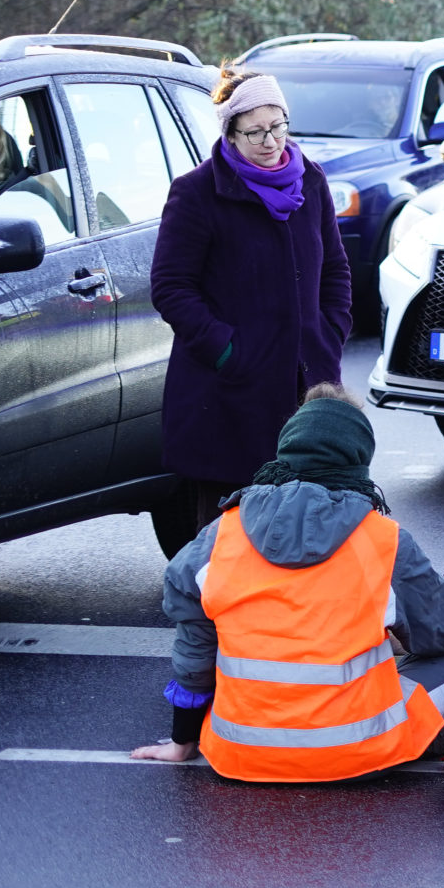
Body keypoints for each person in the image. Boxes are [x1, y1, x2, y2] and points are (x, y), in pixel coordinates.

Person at [134, 385, 444, 779]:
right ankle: (430, 735)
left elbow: (194, 655)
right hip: (357, 754)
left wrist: (182, 741)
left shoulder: (219, 536)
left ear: (287, 451)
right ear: (358, 461)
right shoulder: (384, 540)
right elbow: (443, 635)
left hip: (242, 753)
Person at [148, 70, 355, 557]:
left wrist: (330, 332)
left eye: (278, 126)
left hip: (307, 384)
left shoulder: (311, 180)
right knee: (228, 537)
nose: (270, 141)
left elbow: (336, 269)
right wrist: (226, 352)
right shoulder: (197, 192)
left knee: (305, 528)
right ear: (230, 132)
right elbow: (172, 287)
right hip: (228, 394)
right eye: (255, 132)